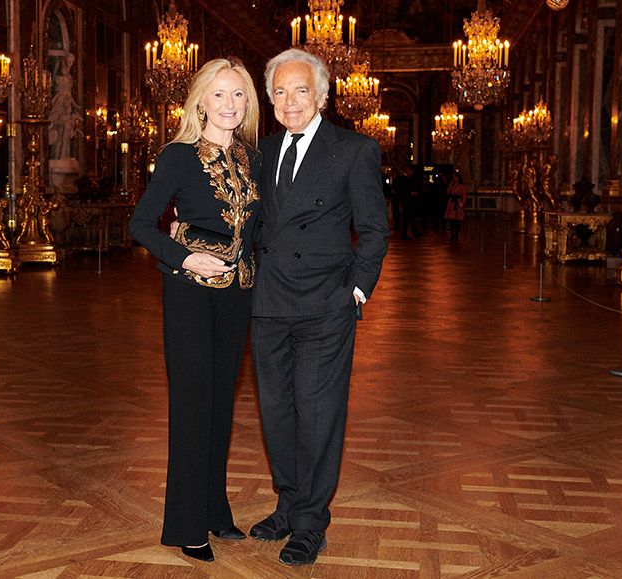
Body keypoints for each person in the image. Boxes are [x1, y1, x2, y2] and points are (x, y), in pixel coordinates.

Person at [248, 49, 390, 566]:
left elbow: (374, 230)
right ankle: (288, 503)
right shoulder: (260, 152)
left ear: (322, 96)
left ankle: (311, 521)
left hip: (324, 304)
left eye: (300, 90)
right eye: (280, 92)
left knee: (317, 413)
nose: (290, 101)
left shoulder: (353, 150)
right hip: (267, 304)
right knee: (277, 412)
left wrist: (355, 291)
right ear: (269, 98)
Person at [128, 58, 262, 564]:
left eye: (240, 96)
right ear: (200, 101)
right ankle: (187, 526)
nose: (230, 105)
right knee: (192, 404)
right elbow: (141, 225)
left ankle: (215, 511)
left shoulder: (254, 159)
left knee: (222, 404)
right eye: (220, 95)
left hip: (238, 295)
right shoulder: (178, 157)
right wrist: (185, 255)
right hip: (187, 292)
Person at [393, 164, 423, 240]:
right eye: (411, 172)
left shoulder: (405, 178)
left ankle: (415, 233)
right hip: (407, 201)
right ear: (408, 171)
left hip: (408, 201)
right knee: (407, 219)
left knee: (410, 218)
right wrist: (412, 193)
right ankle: (405, 235)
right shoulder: (403, 179)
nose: (412, 173)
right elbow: (403, 191)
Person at [444, 172, 466, 242]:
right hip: (452, 202)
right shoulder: (452, 186)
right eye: (453, 177)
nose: (454, 178)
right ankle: (452, 234)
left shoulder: (462, 186)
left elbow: (464, 195)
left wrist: (463, 203)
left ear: (458, 177)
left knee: (457, 220)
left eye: (455, 177)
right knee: (452, 220)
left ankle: (456, 235)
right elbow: (447, 192)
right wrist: (450, 185)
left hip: (458, 202)